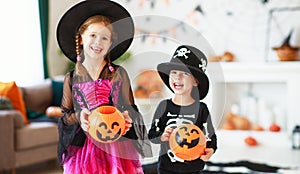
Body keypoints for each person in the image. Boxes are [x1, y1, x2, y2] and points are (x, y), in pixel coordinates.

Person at [56, 1, 151, 173]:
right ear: (81, 38)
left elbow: (128, 107)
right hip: (83, 147)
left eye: (104, 38)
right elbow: (66, 114)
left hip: (115, 143)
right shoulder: (72, 78)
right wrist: (80, 116)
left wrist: (126, 117)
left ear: (110, 45)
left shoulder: (118, 74)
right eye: (93, 35)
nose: (98, 42)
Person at [148, 45, 217, 174]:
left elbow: (210, 136)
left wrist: (211, 150)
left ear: (196, 82)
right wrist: (162, 136)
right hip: (166, 168)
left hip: (194, 168)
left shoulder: (202, 109)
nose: (177, 78)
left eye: (185, 73)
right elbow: (152, 134)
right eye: (173, 73)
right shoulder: (164, 106)